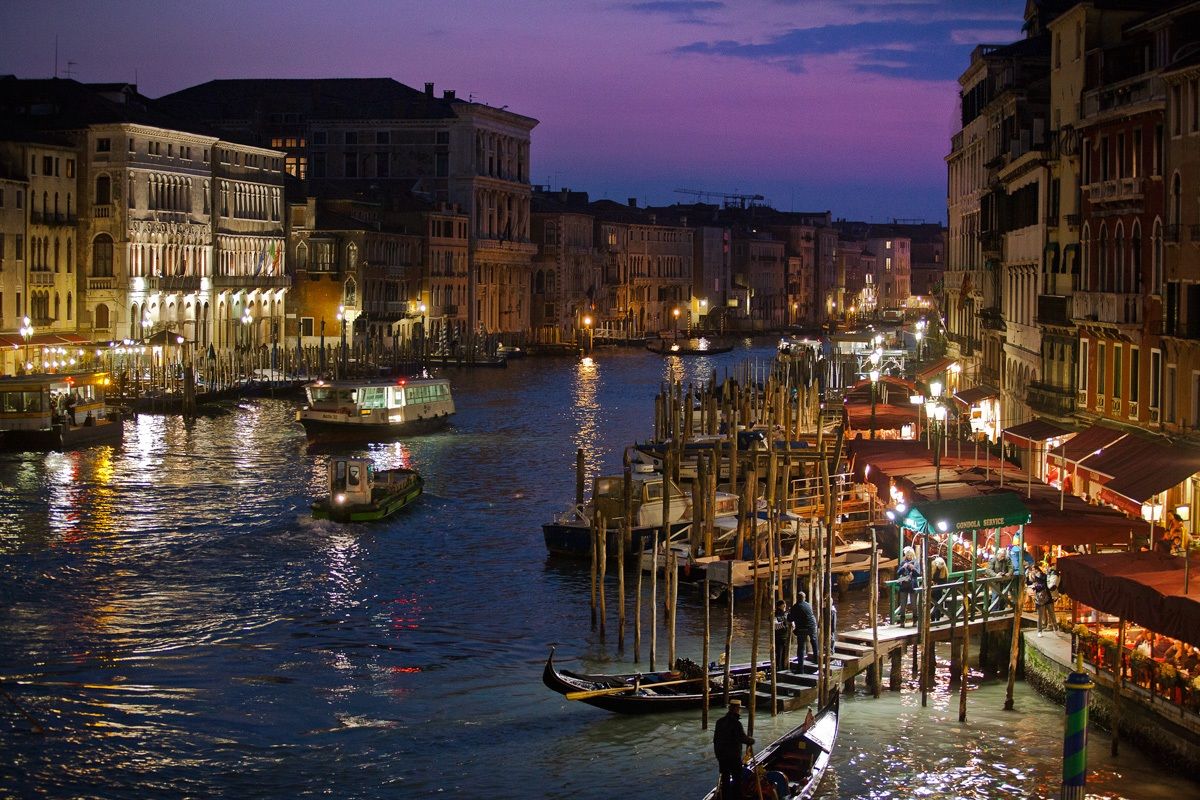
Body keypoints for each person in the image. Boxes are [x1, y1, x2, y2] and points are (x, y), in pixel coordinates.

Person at [713, 698, 753, 798]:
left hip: (721, 757)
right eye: (739, 709)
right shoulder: (736, 724)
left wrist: (718, 756)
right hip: (733, 758)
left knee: (725, 780)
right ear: (736, 709)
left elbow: (715, 740)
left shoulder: (719, 722)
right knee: (737, 780)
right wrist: (751, 741)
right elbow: (743, 738)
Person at [787, 591, 819, 665]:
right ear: (804, 598)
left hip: (802, 629)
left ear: (797, 598)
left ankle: (800, 668)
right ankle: (816, 660)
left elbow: (790, 619)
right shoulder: (808, 605)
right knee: (814, 642)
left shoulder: (795, 607)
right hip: (812, 626)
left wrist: (789, 613)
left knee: (801, 647)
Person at [895, 547, 921, 627]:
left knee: (914, 604)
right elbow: (898, 573)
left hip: (913, 585)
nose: (909, 556)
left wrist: (913, 569)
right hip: (904, 585)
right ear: (906, 555)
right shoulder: (903, 562)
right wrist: (903, 567)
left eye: (910, 555)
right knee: (903, 604)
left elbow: (918, 574)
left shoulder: (916, 563)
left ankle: (915, 621)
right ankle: (902, 621)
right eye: (908, 555)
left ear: (913, 555)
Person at [1031, 564, 1053, 635]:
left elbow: (1042, 584)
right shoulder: (1036, 575)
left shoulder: (1042, 575)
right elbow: (1032, 581)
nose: (1032, 571)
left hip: (1045, 594)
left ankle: (1049, 625)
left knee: (1048, 610)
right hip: (1041, 595)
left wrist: (1035, 587)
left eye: (1033, 569)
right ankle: (1044, 623)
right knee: (1043, 611)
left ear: (1036, 569)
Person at [929, 554, 949, 621]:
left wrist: (938, 584)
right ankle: (932, 617)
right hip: (931, 588)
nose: (940, 567)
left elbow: (945, 580)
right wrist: (932, 582)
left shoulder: (944, 569)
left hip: (939, 589)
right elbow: (928, 577)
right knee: (931, 603)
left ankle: (937, 618)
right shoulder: (932, 567)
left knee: (938, 603)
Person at [773, 600, 791, 671]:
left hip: (785, 637)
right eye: (783, 605)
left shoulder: (786, 614)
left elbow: (791, 624)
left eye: (785, 605)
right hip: (778, 638)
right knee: (779, 654)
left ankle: (784, 668)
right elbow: (775, 626)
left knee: (784, 654)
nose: (785, 606)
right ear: (779, 606)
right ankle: (778, 669)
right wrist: (784, 623)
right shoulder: (775, 614)